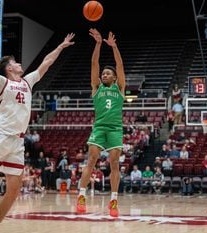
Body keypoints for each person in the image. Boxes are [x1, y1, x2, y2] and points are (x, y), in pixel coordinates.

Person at [0, 25, 75, 233]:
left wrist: (61, 46)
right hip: (1, 137)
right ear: (9, 68)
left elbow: (46, 63)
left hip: (17, 142)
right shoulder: (2, 82)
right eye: (15, 62)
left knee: (13, 191)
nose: (19, 64)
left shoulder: (27, 82)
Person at [76, 28, 126, 218]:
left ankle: (113, 200)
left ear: (113, 78)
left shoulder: (120, 88)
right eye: (103, 73)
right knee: (92, 159)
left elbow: (120, 66)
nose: (104, 75)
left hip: (115, 129)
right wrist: (97, 44)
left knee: (114, 162)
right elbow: (94, 63)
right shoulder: (96, 87)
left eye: (107, 73)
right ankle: (81, 195)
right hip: (99, 127)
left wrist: (114, 47)